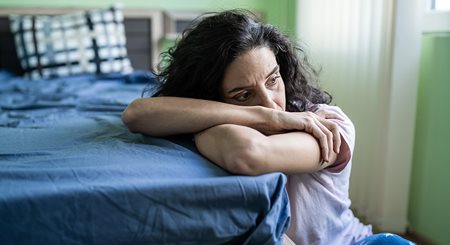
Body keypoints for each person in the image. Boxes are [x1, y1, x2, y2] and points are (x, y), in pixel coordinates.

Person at [122, 9, 414, 245]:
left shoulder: (327, 125)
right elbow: (136, 114)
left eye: (273, 80)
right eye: (243, 95)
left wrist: (221, 115)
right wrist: (269, 118)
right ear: (211, 97)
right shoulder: (260, 117)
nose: (271, 103)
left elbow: (248, 153)